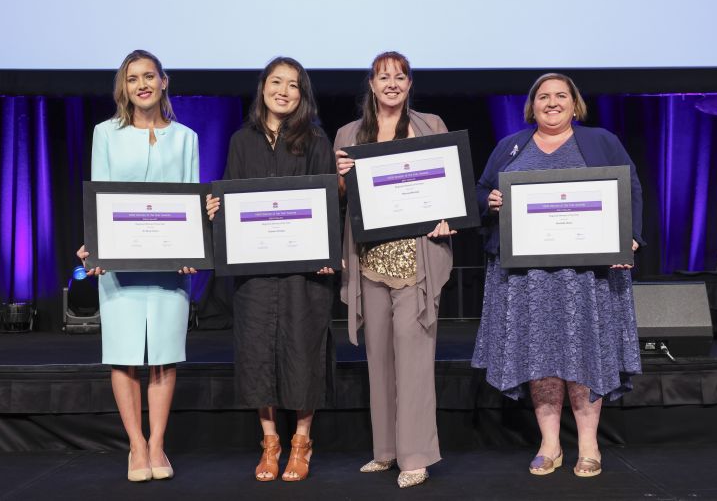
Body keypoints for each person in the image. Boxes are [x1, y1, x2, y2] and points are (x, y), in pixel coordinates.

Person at [471, 73, 644, 477]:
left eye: (561, 96)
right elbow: (480, 190)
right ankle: (549, 443)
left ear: (575, 103)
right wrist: (489, 200)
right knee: (540, 354)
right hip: (527, 279)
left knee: (587, 352)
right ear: (531, 106)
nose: (552, 102)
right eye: (543, 97)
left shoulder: (601, 141)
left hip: (588, 277)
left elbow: (629, 187)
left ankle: (588, 444)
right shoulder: (509, 146)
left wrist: (629, 237)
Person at [205, 57, 335, 482]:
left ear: (303, 95)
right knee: (258, 353)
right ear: (262, 88)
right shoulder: (241, 141)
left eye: (293, 85)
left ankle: (301, 442)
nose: (283, 90)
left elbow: (329, 204)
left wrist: (327, 251)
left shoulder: (316, 139)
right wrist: (215, 210)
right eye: (276, 82)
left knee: (304, 351)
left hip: (304, 272)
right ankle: (270, 443)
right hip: (255, 270)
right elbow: (231, 195)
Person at [76, 49, 199, 482]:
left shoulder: (186, 137)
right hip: (120, 265)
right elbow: (100, 194)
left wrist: (192, 248)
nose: (142, 84)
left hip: (169, 267)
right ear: (123, 88)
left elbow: (190, 198)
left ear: (164, 82)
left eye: (150, 76)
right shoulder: (105, 133)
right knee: (125, 357)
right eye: (133, 79)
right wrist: (95, 245)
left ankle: (159, 446)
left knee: (164, 357)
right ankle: (136, 446)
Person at [334, 51, 455, 489]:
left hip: (416, 259)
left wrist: (447, 219)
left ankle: (416, 455)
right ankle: (385, 451)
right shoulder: (348, 133)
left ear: (409, 84)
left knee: (415, 359)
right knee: (378, 359)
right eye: (383, 76)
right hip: (370, 260)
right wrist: (341, 176)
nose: (391, 83)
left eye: (399, 76)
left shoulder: (431, 125)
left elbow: (449, 187)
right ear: (371, 83)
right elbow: (341, 199)